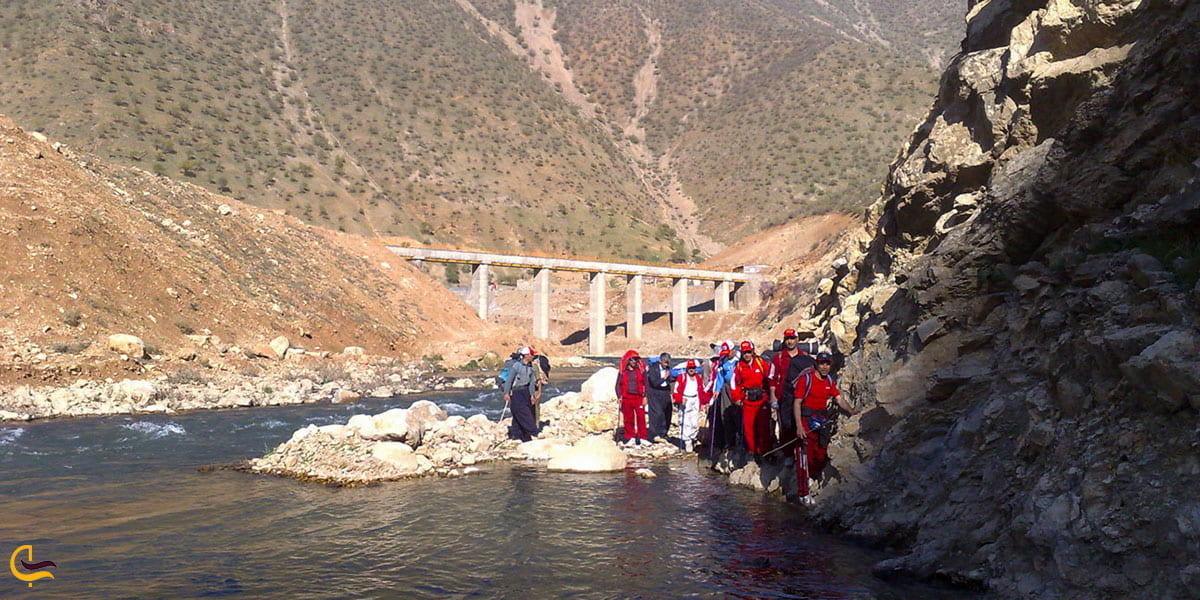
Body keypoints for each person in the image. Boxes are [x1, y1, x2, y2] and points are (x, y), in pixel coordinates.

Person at [793, 352, 858, 503]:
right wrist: (799, 426)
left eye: (827, 363)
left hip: (821, 422)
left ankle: (812, 477)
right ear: (816, 364)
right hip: (806, 421)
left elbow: (839, 398)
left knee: (821, 454)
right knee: (805, 457)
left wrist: (851, 411)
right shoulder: (806, 379)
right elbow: (797, 403)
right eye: (822, 363)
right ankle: (803, 493)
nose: (824, 366)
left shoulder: (829, 380)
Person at [768, 329, 808, 460]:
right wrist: (773, 396)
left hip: (801, 397)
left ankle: (801, 451)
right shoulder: (778, 358)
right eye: (787, 339)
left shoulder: (804, 356)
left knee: (801, 423)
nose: (790, 341)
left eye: (792, 338)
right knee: (785, 425)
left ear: (797, 340)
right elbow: (772, 378)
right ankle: (788, 455)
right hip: (783, 397)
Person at [731, 340, 773, 456]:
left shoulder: (761, 363)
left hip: (762, 400)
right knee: (749, 428)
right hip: (748, 401)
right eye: (744, 353)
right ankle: (752, 452)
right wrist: (737, 398)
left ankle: (766, 452)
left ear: (753, 351)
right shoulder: (739, 367)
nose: (747, 355)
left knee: (764, 427)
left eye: (749, 352)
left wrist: (771, 395)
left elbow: (770, 378)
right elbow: (734, 384)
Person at [705, 342, 741, 453]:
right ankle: (728, 441)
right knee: (725, 414)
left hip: (737, 387)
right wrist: (716, 389)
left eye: (728, 353)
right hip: (726, 388)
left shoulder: (738, 361)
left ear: (733, 351)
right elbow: (719, 377)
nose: (727, 355)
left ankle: (739, 439)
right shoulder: (722, 361)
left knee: (738, 413)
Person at [502, 346, 540, 441]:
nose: (532, 356)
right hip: (516, 392)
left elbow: (531, 382)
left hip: (526, 392)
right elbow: (509, 380)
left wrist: (532, 395)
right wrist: (506, 392)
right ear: (526, 355)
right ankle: (533, 432)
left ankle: (518, 435)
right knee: (522, 413)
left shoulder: (530, 367)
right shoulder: (516, 366)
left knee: (518, 414)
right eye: (531, 354)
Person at [672, 359, 710, 452]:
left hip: (695, 400)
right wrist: (680, 399)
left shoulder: (697, 378)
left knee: (694, 420)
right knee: (685, 421)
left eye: (693, 368)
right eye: (690, 368)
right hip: (685, 399)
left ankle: (693, 437)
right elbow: (676, 391)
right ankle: (687, 441)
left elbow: (701, 391)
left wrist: (703, 403)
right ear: (687, 368)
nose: (691, 370)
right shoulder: (682, 378)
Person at [614, 349, 649, 447]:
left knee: (641, 417)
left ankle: (643, 438)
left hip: (638, 397)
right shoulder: (623, 371)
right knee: (628, 418)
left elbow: (646, 383)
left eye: (636, 359)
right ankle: (630, 437)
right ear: (628, 360)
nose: (634, 361)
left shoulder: (641, 370)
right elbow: (618, 385)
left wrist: (645, 396)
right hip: (626, 398)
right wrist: (619, 396)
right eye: (632, 359)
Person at [646, 352, 675, 443]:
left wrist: (673, 377)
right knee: (657, 413)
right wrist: (664, 378)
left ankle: (664, 433)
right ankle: (654, 434)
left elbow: (670, 380)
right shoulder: (653, 368)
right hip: (655, 393)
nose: (666, 364)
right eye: (665, 362)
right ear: (660, 361)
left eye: (668, 362)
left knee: (667, 412)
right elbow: (654, 382)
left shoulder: (668, 369)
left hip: (665, 392)